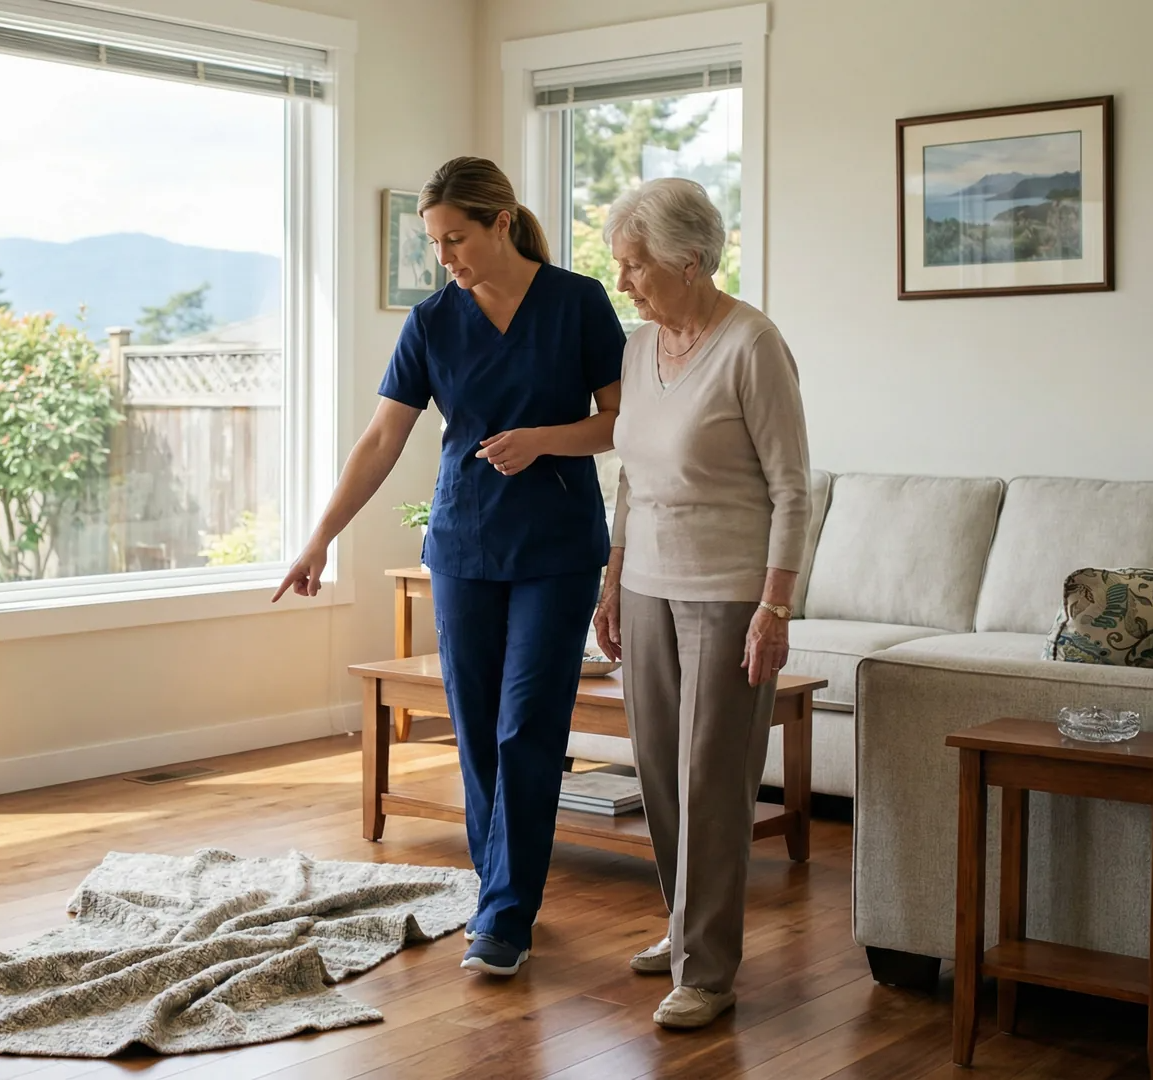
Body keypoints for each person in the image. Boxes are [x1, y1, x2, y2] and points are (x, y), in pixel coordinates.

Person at [274, 156, 625, 976]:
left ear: (501, 222)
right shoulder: (432, 321)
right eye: (435, 243)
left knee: (527, 723)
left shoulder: (578, 303)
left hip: (559, 548)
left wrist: (543, 438)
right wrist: (319, 536)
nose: (446, 259)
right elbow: (381, 440)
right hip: (464, 546)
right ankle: (495, 889)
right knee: (475, 732)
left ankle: (505, 915)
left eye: (456, 239)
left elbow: (620, 422)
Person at [591, 177, 812, 1029]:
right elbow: (631, 476)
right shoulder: (637, 347)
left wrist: (775, 607)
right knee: (657, 773)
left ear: (690, 263)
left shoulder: (752, 344)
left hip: (727, 594)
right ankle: (684, 926)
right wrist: (612, 578)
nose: (624, 283)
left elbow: (793, 489)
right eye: (620, 265)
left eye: (636, 266)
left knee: (714, 778)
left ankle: (709, 970)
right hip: (645, 583)